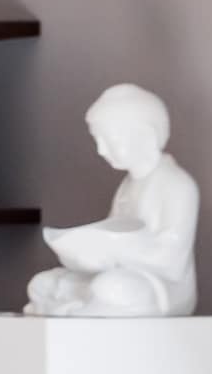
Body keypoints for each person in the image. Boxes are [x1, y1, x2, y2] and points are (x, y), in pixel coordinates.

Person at [23, 83, 199, 319]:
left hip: (161, 285)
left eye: (109, 140)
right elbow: (113, 232)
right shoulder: (127, 186)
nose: (101, 150)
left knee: (110, 287)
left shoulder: (177, 184)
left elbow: (170, 258)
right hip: (122, 272)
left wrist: (111, 253)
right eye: (98, 140)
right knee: (43, 282)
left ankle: (84, 305)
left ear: (145, 135)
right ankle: (84, 304)